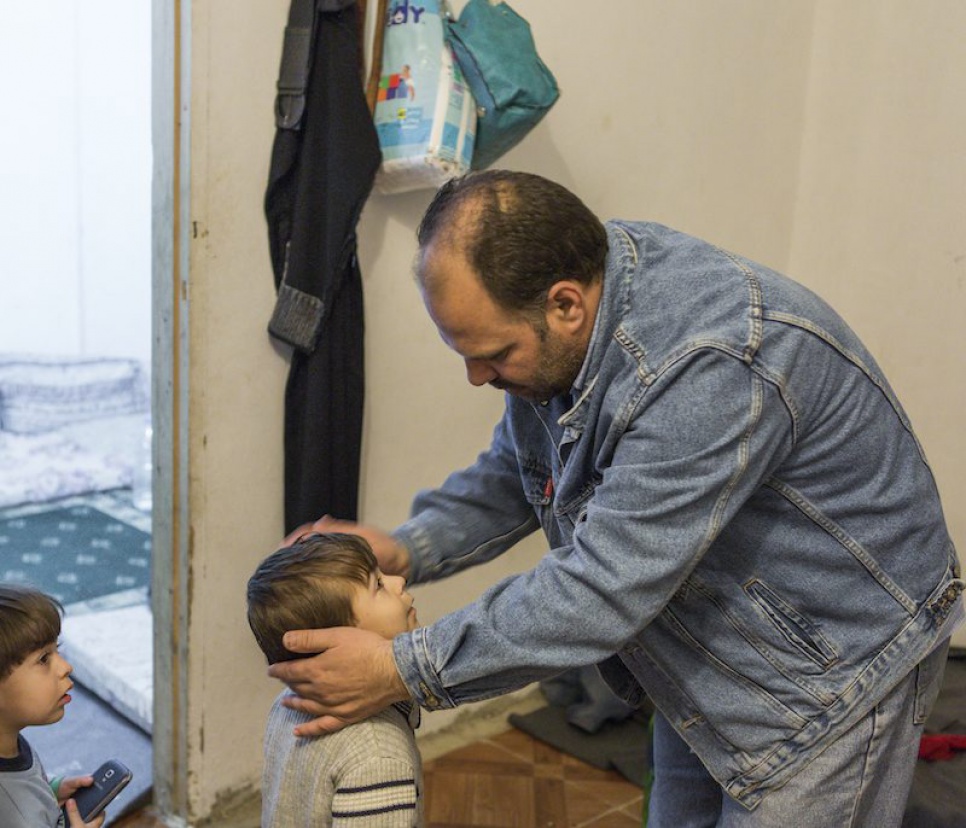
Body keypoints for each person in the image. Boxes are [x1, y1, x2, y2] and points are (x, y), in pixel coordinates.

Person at [268, 170, 964, 826]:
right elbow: (525, 468)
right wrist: (409, 546)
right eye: (464, 353)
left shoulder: (709, 364)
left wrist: (403, 668)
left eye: (494, 354)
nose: (478, 377)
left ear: (566, 304)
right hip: (706, 641)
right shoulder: (579, 307)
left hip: (836, 665)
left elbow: (602, 587)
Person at [247, 533, 423, 827]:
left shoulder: (287, 704)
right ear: (339, 640)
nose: (399, 582)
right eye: (377, 585)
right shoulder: (378, 757)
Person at [0, 584, 107, 827]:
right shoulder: (13, 814)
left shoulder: (7, 743)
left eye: (56, 650)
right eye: (44, 659)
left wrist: (50, 792)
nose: (65, 667)